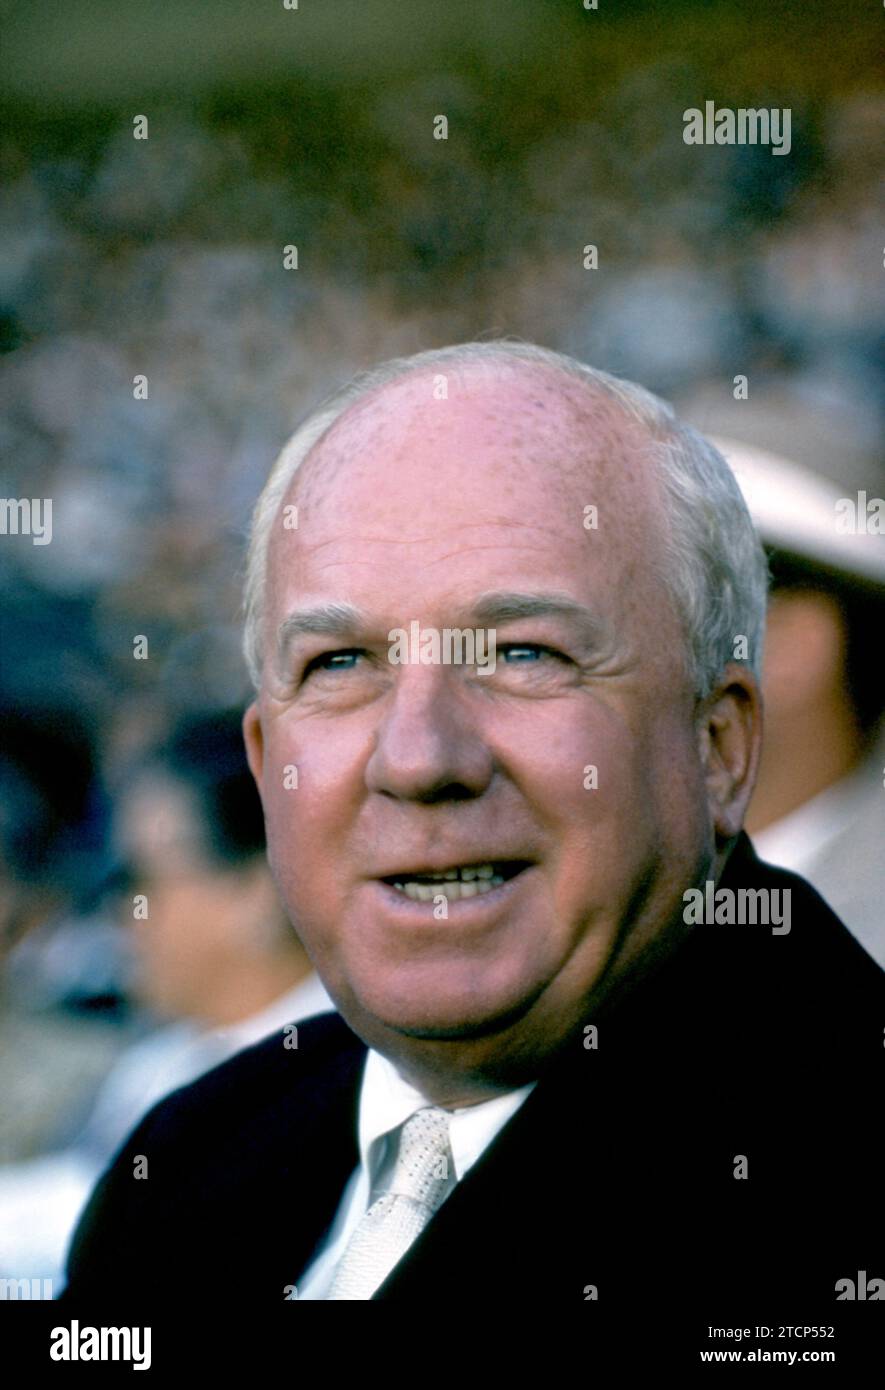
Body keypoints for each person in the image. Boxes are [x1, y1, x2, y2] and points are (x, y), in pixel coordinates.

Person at [58, 343, 884, 1330]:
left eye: (523, 652)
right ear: (265, 754)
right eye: (339, 663)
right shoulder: (196, 1150)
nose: (417, 757)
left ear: (717, 746)